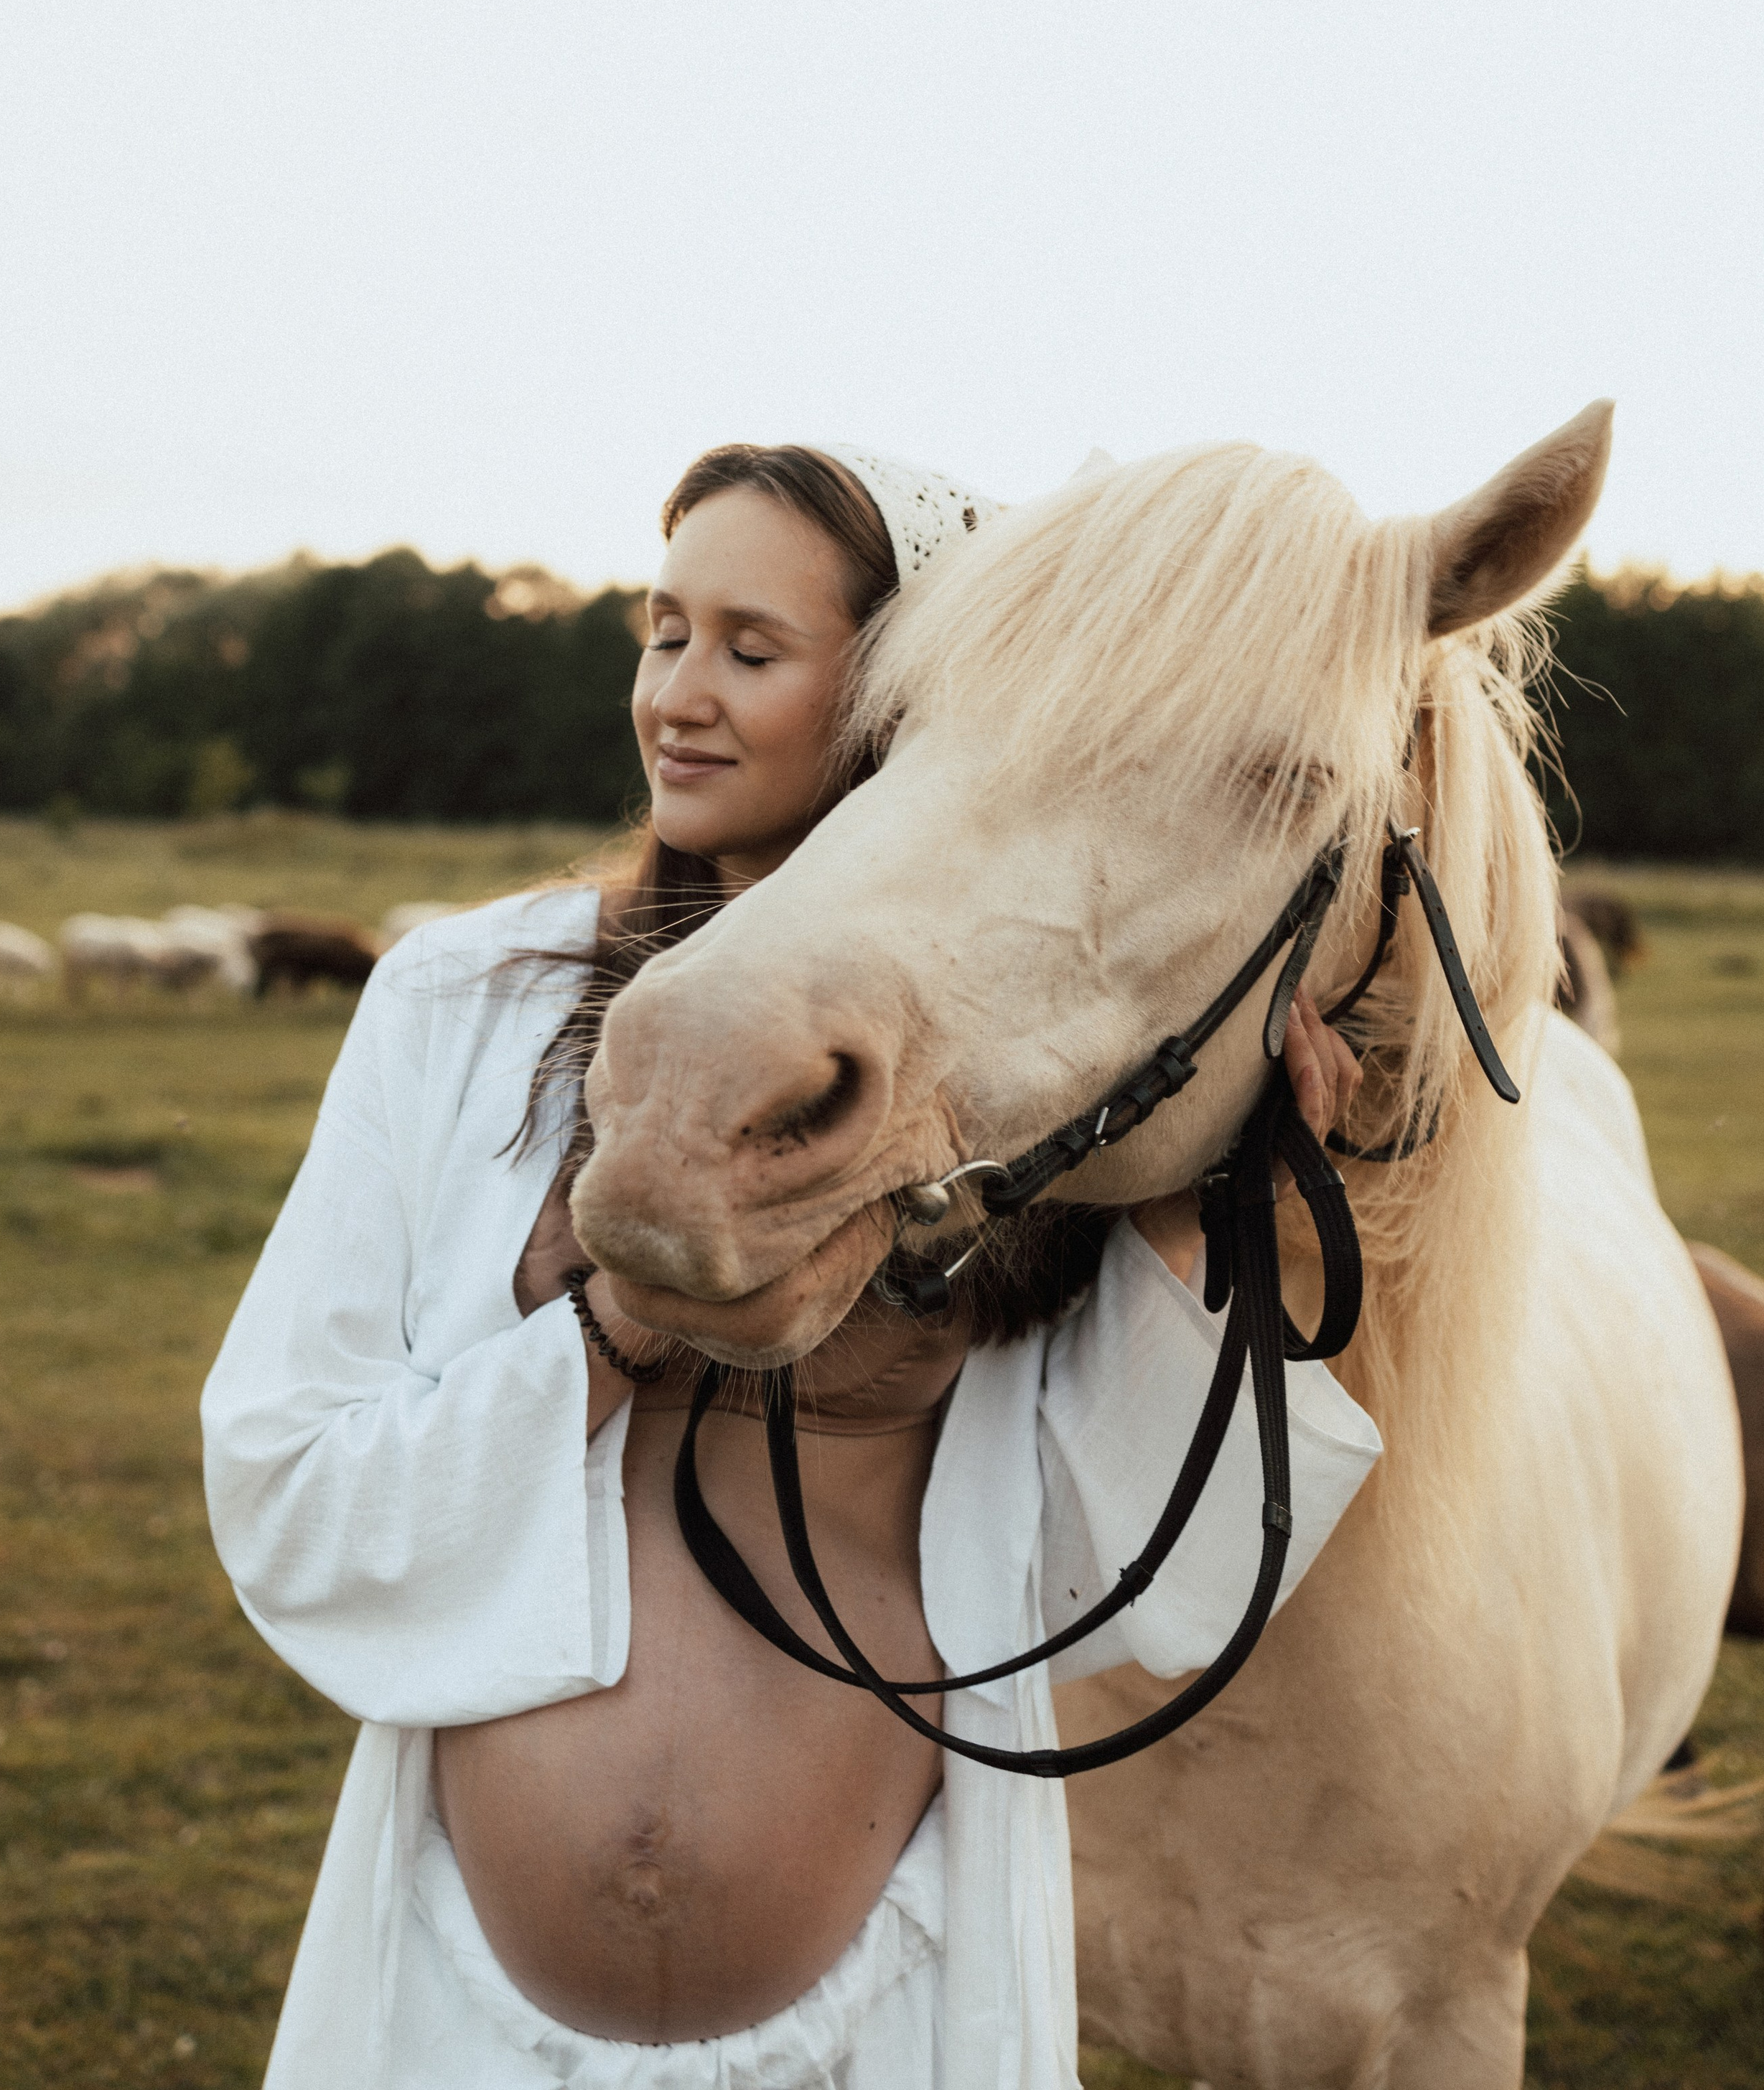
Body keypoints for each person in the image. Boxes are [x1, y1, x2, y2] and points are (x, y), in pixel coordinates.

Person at [202, 443, 1378, 2090]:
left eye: (749, 651)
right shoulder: (455, 1005)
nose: (675, 695)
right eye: (658, 630)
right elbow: (285, 1485)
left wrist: (1199, 1216)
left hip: (884, 2013)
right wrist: (611, 1329)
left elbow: (1133, 1586)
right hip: (454, 2016)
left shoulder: (1024, 1089)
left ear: (906, 704)